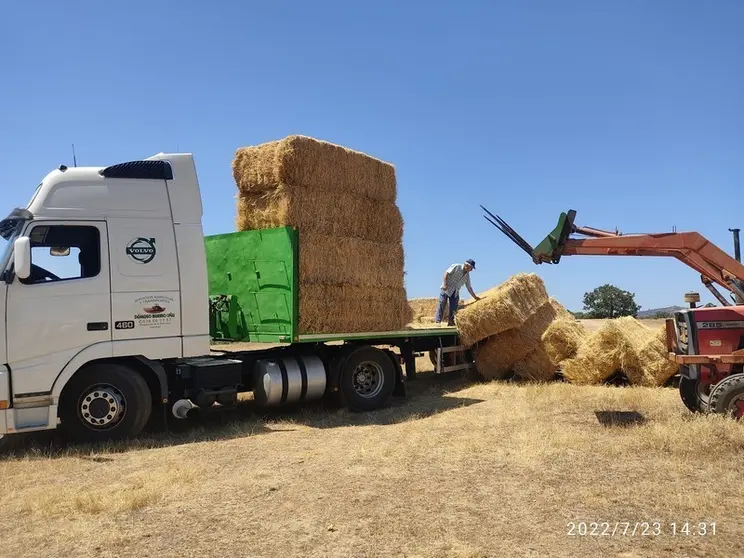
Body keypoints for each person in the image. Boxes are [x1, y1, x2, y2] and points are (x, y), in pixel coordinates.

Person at [435, 259, 481, 325]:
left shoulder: (467, 276)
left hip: (455, 292)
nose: (471, 270)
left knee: (454, 308)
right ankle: (438, 321)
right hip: (446, 288)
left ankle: (451, 323)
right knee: (442, 303)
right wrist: (445, 284)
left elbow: (469, 287)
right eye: (471, 268)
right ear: (466, 265)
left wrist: (475, 297)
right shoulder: (456, 266)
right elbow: (446, 273)